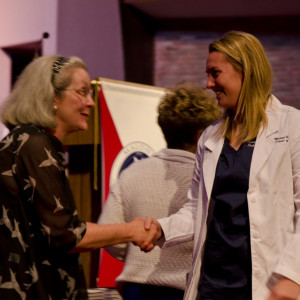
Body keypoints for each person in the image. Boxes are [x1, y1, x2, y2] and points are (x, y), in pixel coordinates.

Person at [145, 31, 300, 300]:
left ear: (246, 70)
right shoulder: (210, 137)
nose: (208, 84)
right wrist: (161, 228)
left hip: (265, 285)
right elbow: (197, 210)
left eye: (215, 73)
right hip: (213, 285)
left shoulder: (292, 127)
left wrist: (291, 277)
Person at [0, 55, 159, 300]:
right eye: (82, 92)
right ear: (52, 96)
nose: (91, 102)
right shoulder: (35, 144)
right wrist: (133, 230)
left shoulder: (24, 141)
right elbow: (65, 235)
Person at [98, 85, 222, 300]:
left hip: (136, 290)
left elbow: (110, 236)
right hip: (190, 290)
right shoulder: (209, 178)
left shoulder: (132, 172)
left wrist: (138, 251)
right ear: (200, 134)